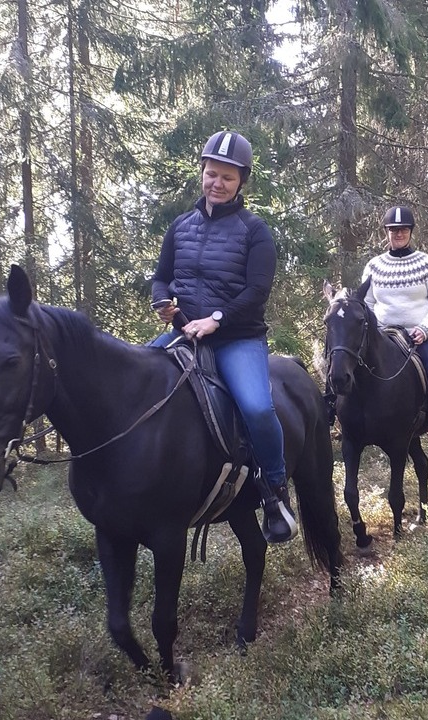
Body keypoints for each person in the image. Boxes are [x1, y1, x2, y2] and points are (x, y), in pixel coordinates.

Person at [150, 129, 296, 544]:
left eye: (227, 178)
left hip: (237, 338)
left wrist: (216, 319)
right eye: (211, 174)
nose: (217, 183)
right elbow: (161, 279)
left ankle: (274, 489)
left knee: (256, 408)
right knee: (135, 382)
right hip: (185, 335)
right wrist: (163, 304)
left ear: (241, 182)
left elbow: (256, 292)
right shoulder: (179, 227)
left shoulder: (256, 231)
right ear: (202, 172)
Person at [359, 205, 428, 458]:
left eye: (403, 229)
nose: (398, 234)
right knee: (350, 362)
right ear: (386, 232)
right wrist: (376, 329)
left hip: (420, 336)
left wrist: (425, 329)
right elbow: (367, 303)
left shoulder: (427, 264)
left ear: (411, 232)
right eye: (393, 230)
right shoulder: (374, 266)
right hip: (384, 335)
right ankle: (335, 412)